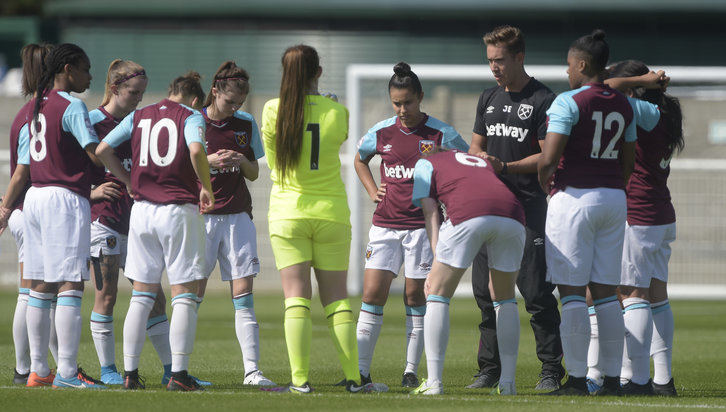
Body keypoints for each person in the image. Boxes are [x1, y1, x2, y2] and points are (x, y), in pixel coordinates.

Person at [260, 44, 385, 394]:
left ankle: (299, 381)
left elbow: (274, 162)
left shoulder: (272, 110)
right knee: (338, 301)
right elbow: (337, 137)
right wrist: (326, 102)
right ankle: (354, 380)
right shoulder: (337, 111)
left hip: (288, 213)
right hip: (331, 214)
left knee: (296, 299)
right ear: (318, 72)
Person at [87, 59, 205, 387]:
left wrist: (128, 181)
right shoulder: (191, 116)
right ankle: (176, 374)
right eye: (133, 91)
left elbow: (102, 149)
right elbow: (196, 151)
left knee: (145, 296)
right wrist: (206, 186)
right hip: (168, 210)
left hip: (140, 213)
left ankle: (131, 374)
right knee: (182, 294)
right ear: (195, 99)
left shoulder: (140, 116)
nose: (138, 97)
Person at [353, 62, 468, 388]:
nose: (402, 109)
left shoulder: (441, 134)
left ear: (420, 97)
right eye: (396, 103)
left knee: (415, 295)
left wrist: (450, 196)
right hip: (385, 226)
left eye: (408, 102)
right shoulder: (381, 132)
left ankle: (410, 371)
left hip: (422, 228)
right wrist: (373, 190)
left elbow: (468, 164)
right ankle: (360, 373)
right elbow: (360, 159)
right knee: (372, 293)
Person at [537, 29, 636, 396]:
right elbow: (629, 161)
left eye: (568, 66)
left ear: (582, 64)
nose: (567, 73)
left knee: (574, 293)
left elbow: (549, 158)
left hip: (574, 199)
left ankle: (577, 379)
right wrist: (612, 186)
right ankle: (611, 380)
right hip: (613, 199)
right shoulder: (624, 104)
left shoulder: (567, 101)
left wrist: (547, 184)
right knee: (607, 294)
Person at [466, 25, 565, 391]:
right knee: (485, 293)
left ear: (519, 57)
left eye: (500, 60)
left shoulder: (543, 99)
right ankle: (488, 370)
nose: (494, 67)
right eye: (490, 60)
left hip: (528, 208)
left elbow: (547, 155)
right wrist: (480, 160)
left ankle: (551, 370)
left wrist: (505, 167)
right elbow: (477, 147)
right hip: (490, 209)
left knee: (537, 292)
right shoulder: (488, 98)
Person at [22, 43, 106, 389]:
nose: (89, 76)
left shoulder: (34, 105)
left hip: (36, 196)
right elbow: (95, 155)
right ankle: (68, 374)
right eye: (86, 69)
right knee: (71, 283)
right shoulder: (72, 104)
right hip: (64, 198)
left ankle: (39, 370)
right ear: (68, 69)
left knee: (39, 286)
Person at [410, 149, 526, 395]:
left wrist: (436, 262)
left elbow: (431, 212)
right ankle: (508, 383)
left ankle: (434, 382)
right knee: (505, 297)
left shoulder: (425, 163)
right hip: (513, 214)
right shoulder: (474, 160)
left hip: (469, 213)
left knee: (437, 294)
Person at [195, 61, 275, 386]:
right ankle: (177, 370)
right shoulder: (193, 122)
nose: (235, 108)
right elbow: (177, 173)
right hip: (201, 219)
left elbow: (255, 172)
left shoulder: (244, 123)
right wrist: (208, 162)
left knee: (243, 295)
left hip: (238, 217)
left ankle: (252, 372)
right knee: (191, 295)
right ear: (215, 91)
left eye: (240, 103)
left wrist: (242, 160)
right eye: (230, 102)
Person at [607, 61, 681, 396]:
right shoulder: (662, 112)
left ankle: (634, 379)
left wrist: (638, 81)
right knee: (656, 297)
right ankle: (663, 380)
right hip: (660, 214)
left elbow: (601, 89)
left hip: (638, 215)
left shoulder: (643, 110)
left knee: (630, 295)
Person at [0, 43, 59, 386]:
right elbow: (23, 170)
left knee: (33, 293)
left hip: (26, 209)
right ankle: (29, 367)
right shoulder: (38, 113)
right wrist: (7, 207)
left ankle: (32, 367)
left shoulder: (28, 111)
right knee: (34, 293)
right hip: (31, 209)